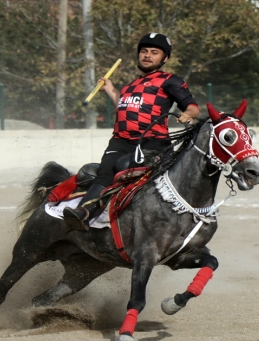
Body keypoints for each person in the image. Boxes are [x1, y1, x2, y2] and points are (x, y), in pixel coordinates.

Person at [63, 32, 200, 231]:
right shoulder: (130, 86)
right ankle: (84, 212)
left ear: (165, 58)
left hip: (152, 142)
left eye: (154, 52)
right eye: (144, 51)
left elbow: (193, 107)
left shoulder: (170, 81)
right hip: (120, 141)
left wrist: (188, 114)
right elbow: (124, 106)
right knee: (105, 173)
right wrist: (111, 90)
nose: (147, 55)